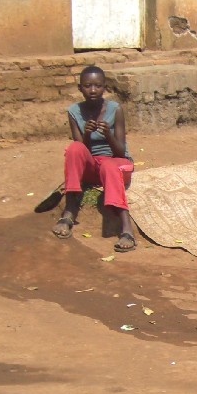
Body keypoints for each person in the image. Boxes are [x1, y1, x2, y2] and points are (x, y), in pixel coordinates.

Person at [51, 65, 137, 253]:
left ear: (104, 87)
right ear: (80, 88)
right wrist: (88, 134)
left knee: (109, 166)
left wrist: (108, 134)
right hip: (91, 167)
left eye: (98, 86)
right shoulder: (74, 111)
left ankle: (126, 227)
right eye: (87, 86)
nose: (92, 90)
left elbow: (120, 151)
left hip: (114, 163)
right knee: (73, 148)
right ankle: (69, 212)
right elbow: (81, 150)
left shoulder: (115, 109)